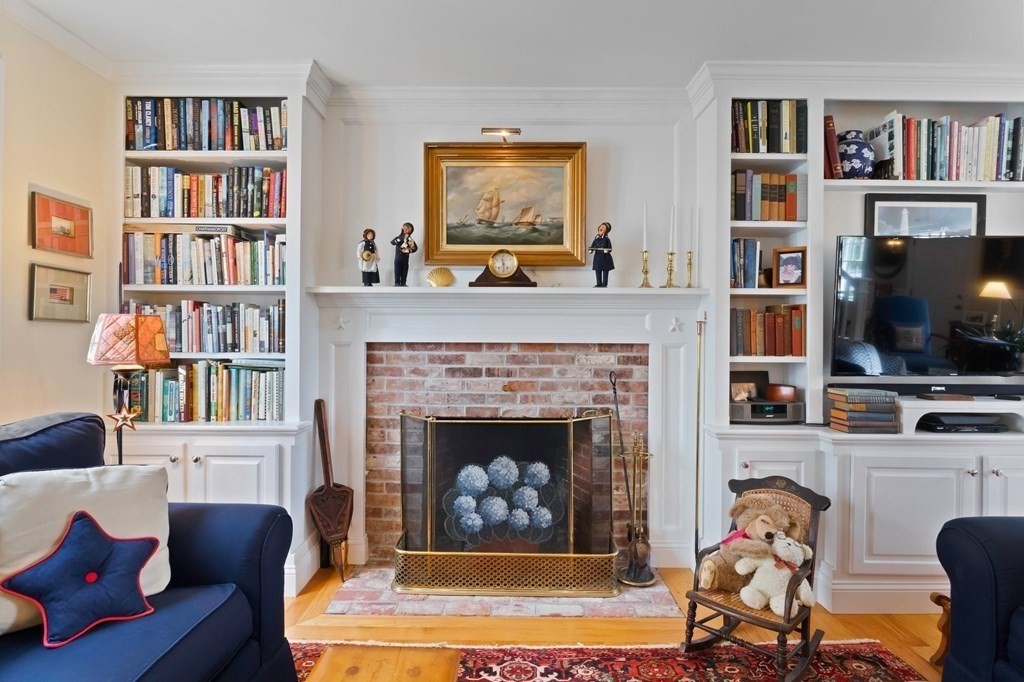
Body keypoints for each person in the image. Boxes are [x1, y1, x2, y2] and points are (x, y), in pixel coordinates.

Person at [390, 222, 418, 286]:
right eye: (405, 228)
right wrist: (401, 238)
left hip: (405, 258)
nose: (406, 230)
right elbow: (392, 242)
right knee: (397, 270)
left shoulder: (410, 239)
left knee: (404, 271)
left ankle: (403, 283)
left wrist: (408, 250)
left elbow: (415, 248)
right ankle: (397, 283)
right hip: (398, 258)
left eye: (408, 229)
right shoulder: (399, 237)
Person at [588, 221, 614, 287]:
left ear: (606, 230)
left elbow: (610, 248)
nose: (601, 228)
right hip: (597, 257)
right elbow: (592, 246)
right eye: (601, 226)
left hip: (605, 258)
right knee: (597, 270)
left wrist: (606, 251)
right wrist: (591, 250)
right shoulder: (596, 239)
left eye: (604, 227)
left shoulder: (607, 239)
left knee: (605, 270)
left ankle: (604, 284)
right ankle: (598, 283)